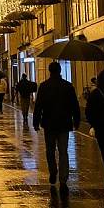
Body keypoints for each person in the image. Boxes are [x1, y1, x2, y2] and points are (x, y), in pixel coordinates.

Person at [33, 62, 80, 194]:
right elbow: (74, 105)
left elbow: (38, 106)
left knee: (50, 150)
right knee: (63, 151)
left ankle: (53, 171)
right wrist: (76, 120)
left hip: (49, 123)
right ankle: (63, 178)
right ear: (59, 71)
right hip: (64, 123)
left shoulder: (44, 86)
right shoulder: (68, 86)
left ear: (49, 71)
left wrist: (36, 121)